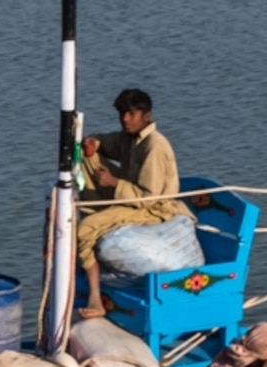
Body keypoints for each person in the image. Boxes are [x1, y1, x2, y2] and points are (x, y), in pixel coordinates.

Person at [73, 86, 189, 319]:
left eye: (132, 114)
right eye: (122, 114)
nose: (126, 119)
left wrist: (114, 182)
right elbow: (106, 143)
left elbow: (149, 198)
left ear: (147, 116)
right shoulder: (129, 138)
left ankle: (96, 298)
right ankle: (97, 229)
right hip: (131, 200)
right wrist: (92, 142)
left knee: (84, 229)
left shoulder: (154, 146)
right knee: (90, 158)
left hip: (153, 210)